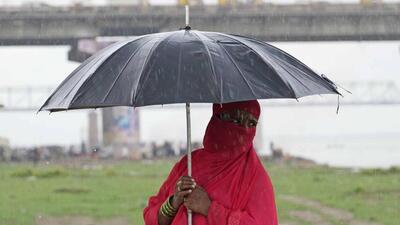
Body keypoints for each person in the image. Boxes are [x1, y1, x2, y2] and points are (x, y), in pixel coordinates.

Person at [143, 100, 278, 225]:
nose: (244, 129)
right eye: (236, 120)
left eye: (252, 123)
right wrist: (173, 202)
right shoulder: (189, 163)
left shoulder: (255, 178)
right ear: (217, 120)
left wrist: (210, 209)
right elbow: (152, 218)